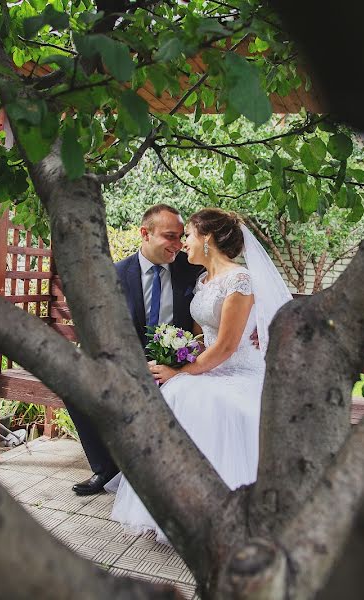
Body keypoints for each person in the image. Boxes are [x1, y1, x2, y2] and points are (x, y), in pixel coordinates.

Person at [109, 208, 292, 542]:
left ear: (206, 239)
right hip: (208, 367)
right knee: (179, 392)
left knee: (185, 393)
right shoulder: (202, 280)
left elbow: (224, 348)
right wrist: (176, 353)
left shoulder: (240, 280)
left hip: (238, 370)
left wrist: (178, 371)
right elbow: (198, 339)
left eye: (188, 235)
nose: (183, 244)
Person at [69, 204, 204, 496]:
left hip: (177, 366)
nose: (178, 244)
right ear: (145, 233)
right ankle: (106, 470)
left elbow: (228, 296)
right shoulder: (114, 275)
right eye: (170, 236)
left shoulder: (193, 269)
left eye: (181, 237)